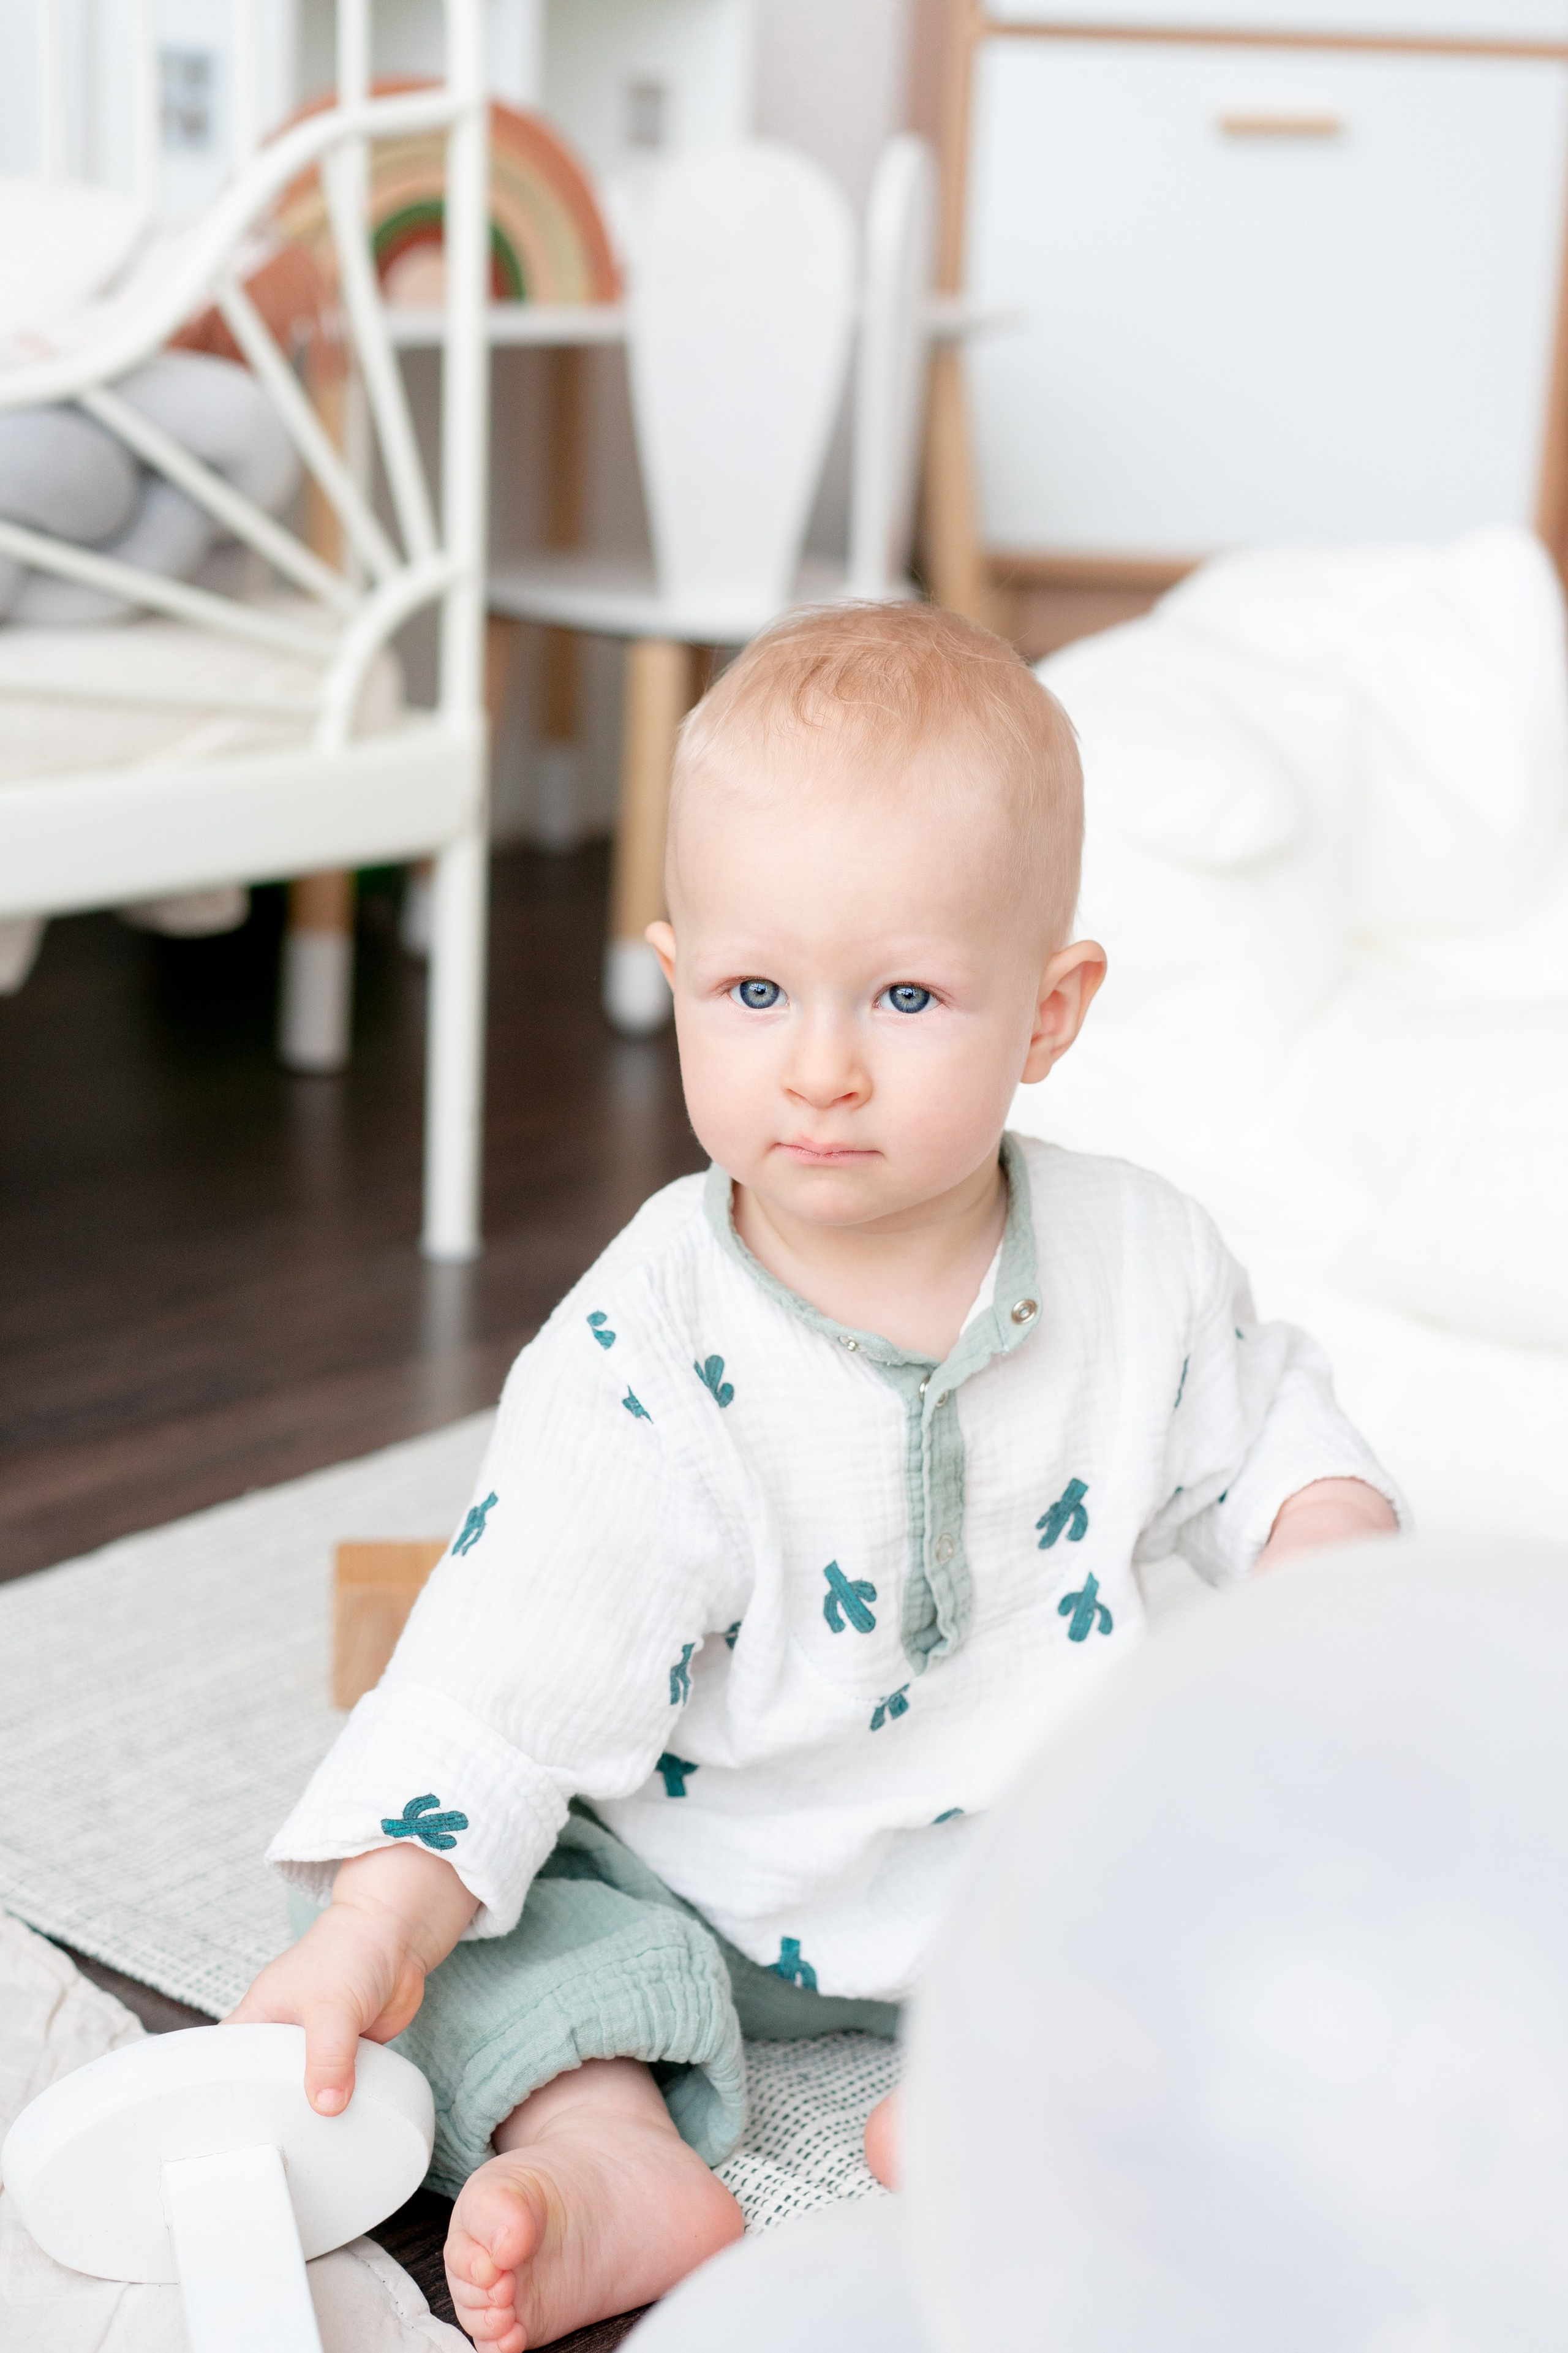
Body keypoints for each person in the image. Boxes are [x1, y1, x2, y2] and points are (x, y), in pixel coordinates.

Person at [233, 603, 1402, 2349]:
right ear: (675, 966)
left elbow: (1265, 1425)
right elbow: (505, 1664)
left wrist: (1328, 1535)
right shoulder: (648, 1335)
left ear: (1051, 1011)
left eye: (910, 995)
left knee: (1272, 1888)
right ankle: (612, 2146)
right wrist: (380, 1917)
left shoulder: (1139, 1259)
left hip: (1026, 1868)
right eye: (757, 991)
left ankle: (1031, 2093)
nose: (823, 1065)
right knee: (492, 1919)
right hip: (696, 1870)